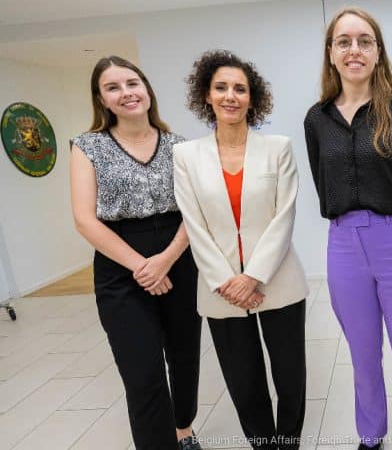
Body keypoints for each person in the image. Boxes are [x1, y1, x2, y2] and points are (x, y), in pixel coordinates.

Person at [304, 8, 392, 450]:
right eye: (344, 41)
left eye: (364, 41)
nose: (354, 50)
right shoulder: (317, 119)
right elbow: (323, 183)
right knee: (362, 355)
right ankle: (371, 436)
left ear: (378, 52)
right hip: (343, 243)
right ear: (331, 54)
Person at [175, 49, 308, 450]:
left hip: (278, 282)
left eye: (240, 88)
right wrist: (227, 281)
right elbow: (194, 225)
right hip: (221, 291)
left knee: (290, 377)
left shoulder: (278, 148)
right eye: (221, 88)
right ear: (207, 96)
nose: (230, 95)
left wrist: (254, 276)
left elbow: (284, 216)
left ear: (253, 97)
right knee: (244, 381)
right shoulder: (185, 156)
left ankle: (288, 444)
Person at [70, 56, 202, 450]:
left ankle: (183, 430)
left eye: (132, 83)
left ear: (146, 89)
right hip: (119, 267)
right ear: (102, 100)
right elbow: (84, 220)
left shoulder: (179, 146)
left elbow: (195, 210)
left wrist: (166, 260)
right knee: (142, 373)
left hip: (179, 257)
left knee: (184, 359)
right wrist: (143, 266)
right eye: (113, 88)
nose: (126, 93)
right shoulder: (87, 146)